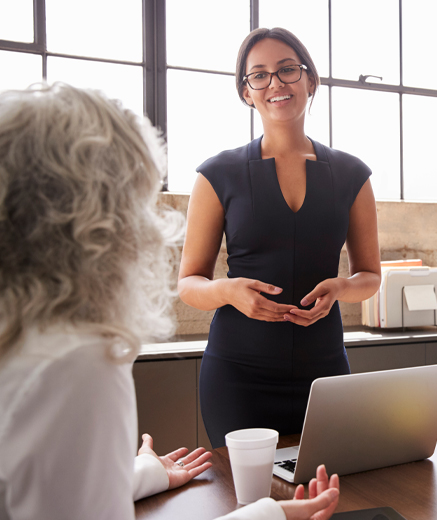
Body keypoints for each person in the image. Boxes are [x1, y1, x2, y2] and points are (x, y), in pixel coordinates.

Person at [0, 82, 340, 520]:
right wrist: (274, 515)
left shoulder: (26, 346)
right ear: (96, 217)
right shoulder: (74, 364)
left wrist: (135, 475)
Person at [178, 27, 381, 449]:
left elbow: (370, 276)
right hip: (237, 375)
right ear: (246, 92)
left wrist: (342, 287)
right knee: (250, 504)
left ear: (310, 80)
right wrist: (229, 291)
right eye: (260, 75)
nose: (275, 83)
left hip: (324, 370)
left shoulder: (352, 175)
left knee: (329, 497)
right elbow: (189, 283)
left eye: (287, 69)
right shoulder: (217, 174)